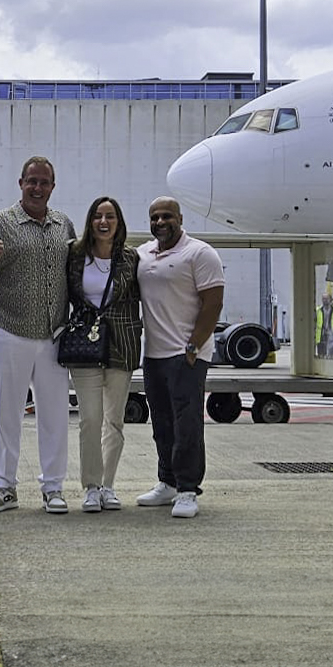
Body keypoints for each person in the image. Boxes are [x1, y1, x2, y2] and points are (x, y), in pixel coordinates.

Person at [0, 156, 76, 514]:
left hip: (54, 334)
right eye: (32, 181)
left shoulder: (64, 225)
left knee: (55, 414)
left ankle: (53, 487)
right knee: (7, 413)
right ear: (20, 183)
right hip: (10, 331)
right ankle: (4, 486)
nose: (38, 188)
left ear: (53, 186)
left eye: (44, 182)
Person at [135, 197, 224, 518]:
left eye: (167, 216)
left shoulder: (199, 253)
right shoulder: (143, 254)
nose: (161, 222)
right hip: (154, 354)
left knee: (187, 423)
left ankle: (188, 490)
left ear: (180, 218)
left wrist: (193, 347)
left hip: (187, 354)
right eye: (155, 217)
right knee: (161, 422)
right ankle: (168, 483)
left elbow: (213, 304)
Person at [66, 196, 142, 512]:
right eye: (98, 215)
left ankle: (108, 485)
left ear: (118, 222)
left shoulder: (132, 258)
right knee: (90, 419)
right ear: (90, 221)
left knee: (114, 421)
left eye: (110, 216)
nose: (103, 222)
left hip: (122, 343)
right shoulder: (74, 256)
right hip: (85, 343)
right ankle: (91, 487)